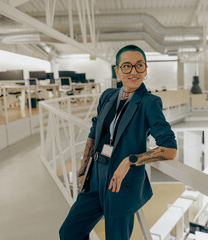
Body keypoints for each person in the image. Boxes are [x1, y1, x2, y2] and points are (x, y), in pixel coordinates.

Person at [59, 45, 177, 240]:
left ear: (146, 69)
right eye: (127, 66)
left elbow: (169, 149)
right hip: (96, 177)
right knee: (69, 232)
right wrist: (83, 168)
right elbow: (94, 131)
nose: (133, 72)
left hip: (120, 183)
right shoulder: (108, 96)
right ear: (117, 71)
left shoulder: (149, 102)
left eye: (139, 66)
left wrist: (129, 161)